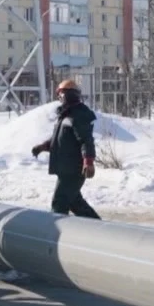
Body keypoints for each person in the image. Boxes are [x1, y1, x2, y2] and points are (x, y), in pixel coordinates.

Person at [31, 79, 100, 219]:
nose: (60, 97)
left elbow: (86, 141)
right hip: (66, 168)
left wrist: (88, 162)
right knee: (75, 202)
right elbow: (61, 140)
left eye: (61, 93)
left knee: (59, 203)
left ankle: (54, 235)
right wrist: (44, 146)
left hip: (74, 170)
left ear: (68, 94)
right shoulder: (66, 116)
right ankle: (99, 227)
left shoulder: (78, 115)